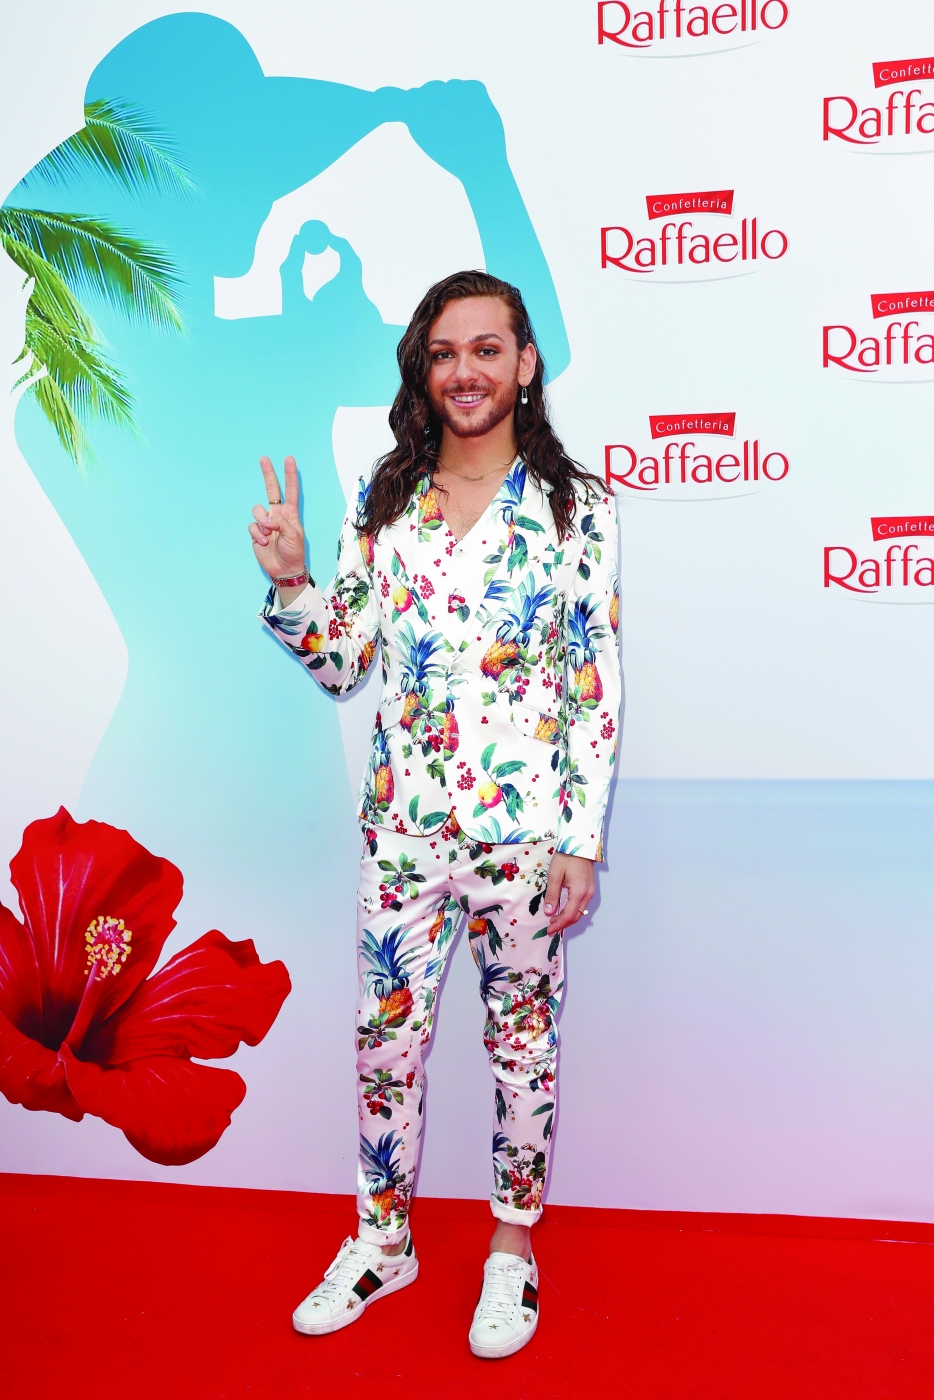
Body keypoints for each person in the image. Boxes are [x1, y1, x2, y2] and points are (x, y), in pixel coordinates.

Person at [249, 270, 621, 1359]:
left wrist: (580, 838)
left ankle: (512, 1245)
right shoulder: (387, 501)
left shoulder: (578, 508)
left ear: (525, 364)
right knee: (386, 1046)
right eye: (445, 352)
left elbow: (594, 673)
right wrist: (294, 584)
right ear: (423, 369)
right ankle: (383, 1239)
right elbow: (345, 665)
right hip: (404, 833)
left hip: (526, 836)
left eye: (486, 349)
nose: (465, 371)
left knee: (523, 1045)